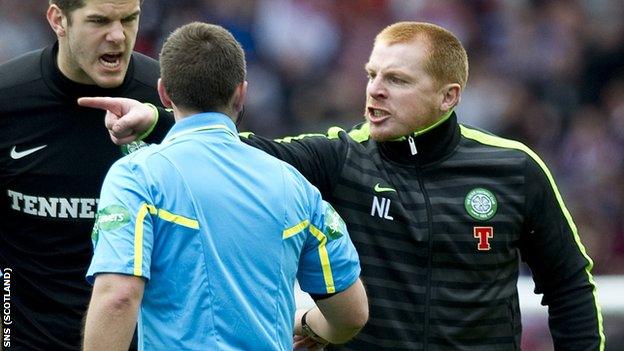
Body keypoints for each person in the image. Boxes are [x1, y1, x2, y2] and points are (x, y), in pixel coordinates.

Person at [83, 21, 605, 350]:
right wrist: (157, 118)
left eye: (397, 80)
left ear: (450, 96)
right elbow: (236, 150)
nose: (375, 91)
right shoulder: (340, 156)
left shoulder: (513, 168)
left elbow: (569, 286)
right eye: (371, 74)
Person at [81, 22, 368, 351]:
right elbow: (352, 315)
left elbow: (118, 297)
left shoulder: (136, 176)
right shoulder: (297, 187)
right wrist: (306, 324)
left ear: (163, 92)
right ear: (241, 92)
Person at [0, 0, 168, 349]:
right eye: (99, 21)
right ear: (58, 19)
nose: (118, 36)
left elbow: (232, 150)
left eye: (129, 19)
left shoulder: (167, 96)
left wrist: (163, 121)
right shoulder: (8, 100)